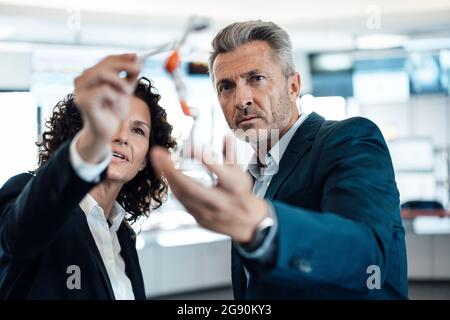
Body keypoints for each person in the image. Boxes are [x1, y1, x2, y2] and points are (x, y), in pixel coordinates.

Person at [150, 21, 408, 299]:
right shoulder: (248, 182)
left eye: (256, 78)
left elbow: (364, 259)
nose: (241, 99)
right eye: (226, 86)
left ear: (293, 86)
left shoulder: (348, 139)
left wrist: (263, 226)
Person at [0, 54, 176, 299]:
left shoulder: (123, 235)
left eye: (137, 130)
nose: (122, 136)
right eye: (113, 120)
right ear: (81, 132)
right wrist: (92, 138)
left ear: (145, 159)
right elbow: (20, 235)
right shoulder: (25, 193)